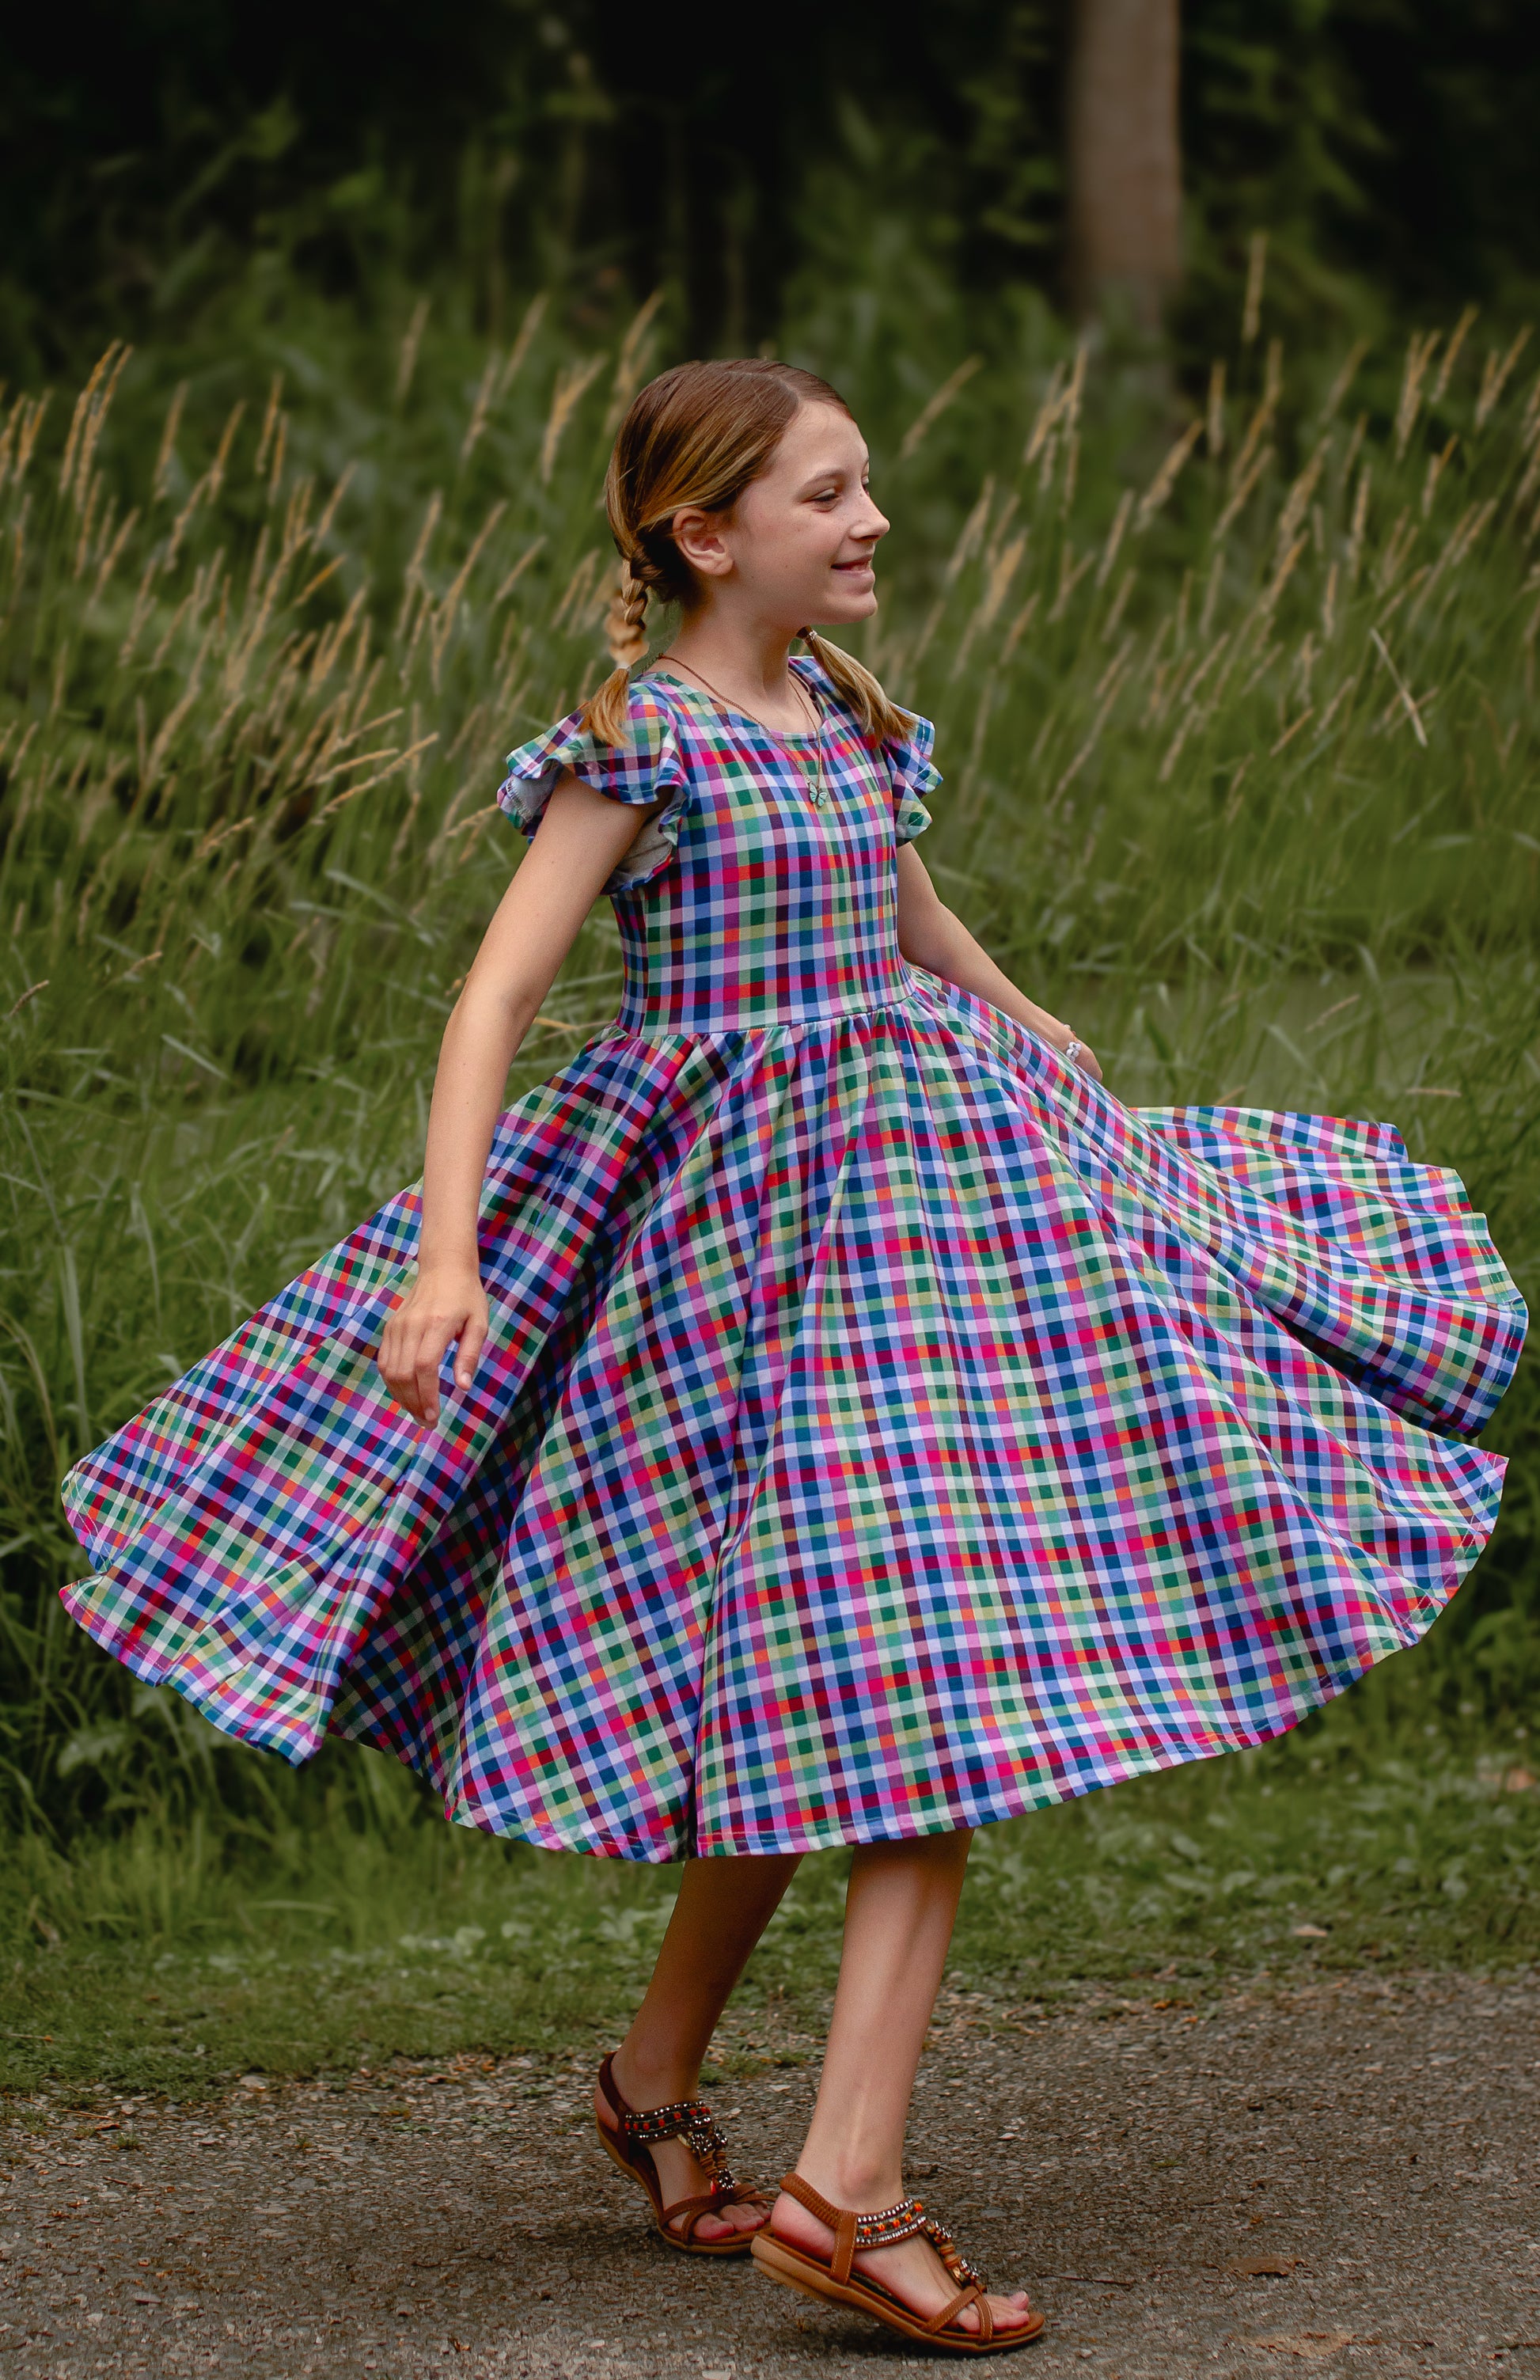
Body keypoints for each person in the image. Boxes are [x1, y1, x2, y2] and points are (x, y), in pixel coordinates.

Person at [61, 359, 1525, 2355]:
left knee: (844, 1665)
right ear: (703, 534)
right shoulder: (633, 745)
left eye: (869, 491)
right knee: (890, 1678)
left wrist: (1024, 1013)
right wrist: (450, 1254)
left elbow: (896, 900)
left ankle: (656, 2087)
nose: (872, 526)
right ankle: (846, 2195)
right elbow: (493, 1000)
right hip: (734, 1245)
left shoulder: (839, 711)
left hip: (916, 1205)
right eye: (831, 497)